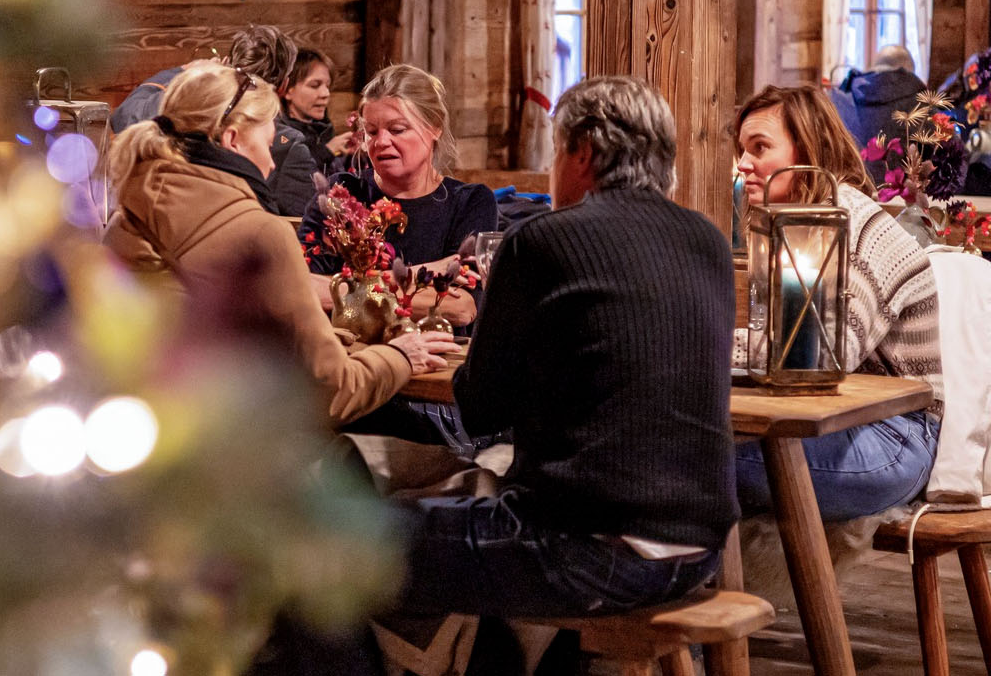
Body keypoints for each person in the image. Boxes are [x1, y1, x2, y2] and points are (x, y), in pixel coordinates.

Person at [391, 75, 737, 619]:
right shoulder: (708, 240)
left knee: (333, 542)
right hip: (700, 552)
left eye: (556, 149)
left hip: (579, 549)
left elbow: (480, 408)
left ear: (583, 152)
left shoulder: (541, 240)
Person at [101, 63, 458, 426]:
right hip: (238, 448)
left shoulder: (126, 217)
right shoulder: (259, 233)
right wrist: (399, 356)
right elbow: (334, 391)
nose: (271, 164)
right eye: (268, 143)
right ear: (233, 141)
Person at [733, 84, 943, 521]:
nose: (742, 164)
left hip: (897, 437)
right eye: (741, 149)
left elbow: (823, 352)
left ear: (808, 146)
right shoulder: (789, 228)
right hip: (830, 419)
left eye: (760, 147)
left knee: (687, 455)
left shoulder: (855, 225)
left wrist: (704, 342)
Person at [299, 64, 496, 328]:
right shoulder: (340, 194)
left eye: (397, 129)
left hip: (438, 360)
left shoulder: (469, 202)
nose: (381, 142)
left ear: (434, 127)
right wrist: (419, 276)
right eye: (371, 131)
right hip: (352, 360)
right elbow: (300, 289)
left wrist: (347, 290)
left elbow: (459, 308)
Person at [108, 25, 319, 217]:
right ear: (284, 85)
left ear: (227, 67)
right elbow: (303, 226)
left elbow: (126, 115)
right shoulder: (290, 145)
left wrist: (183, 71)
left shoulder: (196, 122)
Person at [829, 45, 927, 184]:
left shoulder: (840, 98)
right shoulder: (922, 103)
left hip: (848, 194)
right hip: (904, 200)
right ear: (910, 72)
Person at [277, 48, 353, 176]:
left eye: (327, 86)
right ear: (287, 90)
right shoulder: (279, 135)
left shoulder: (324, 128)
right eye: (314, 85)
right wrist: (327, 151)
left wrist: (354, 157)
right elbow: (288, 177)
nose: (325, 94)